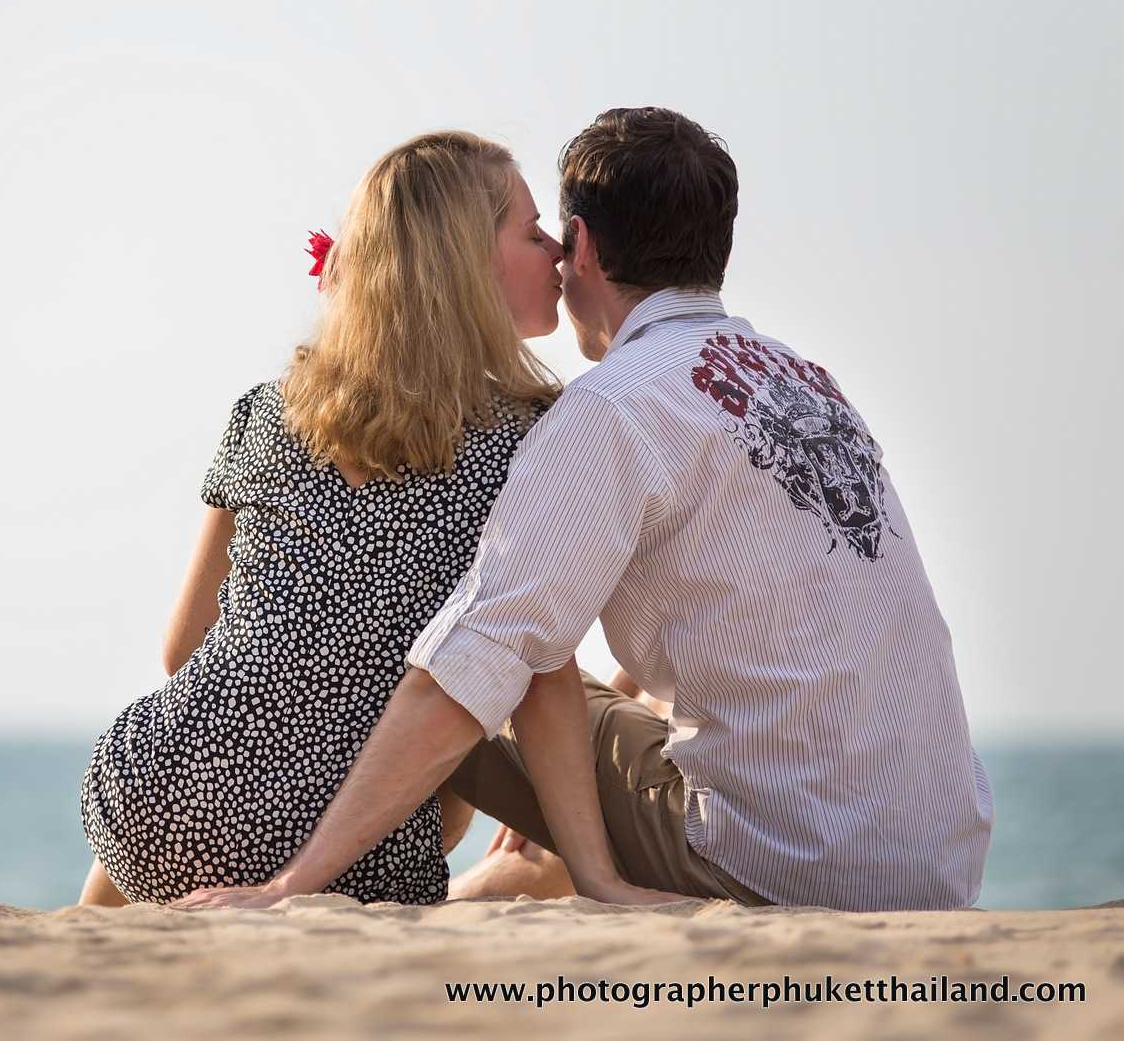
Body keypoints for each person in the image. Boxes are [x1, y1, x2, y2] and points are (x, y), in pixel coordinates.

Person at [176, 107, 995, 913]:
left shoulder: (613, 405)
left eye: (554, 238)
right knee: (560, 696)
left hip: (789, 868)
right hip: (933, 865)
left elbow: (476, 660)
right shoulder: (805, 382)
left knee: (446, 650)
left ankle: (415, 877)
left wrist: (288, 889)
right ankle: (515, 878)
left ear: (585, 245)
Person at [79, 131, 660, 905]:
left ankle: (86, 923)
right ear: (467, 262)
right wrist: (593, 871)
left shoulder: (266, 411)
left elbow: (182, 646)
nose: (557, 250)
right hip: (339, 851)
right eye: (531, 233)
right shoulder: (529, 437)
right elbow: (541, 671)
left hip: (145, 797)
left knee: (206, 751)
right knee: (454, 747)